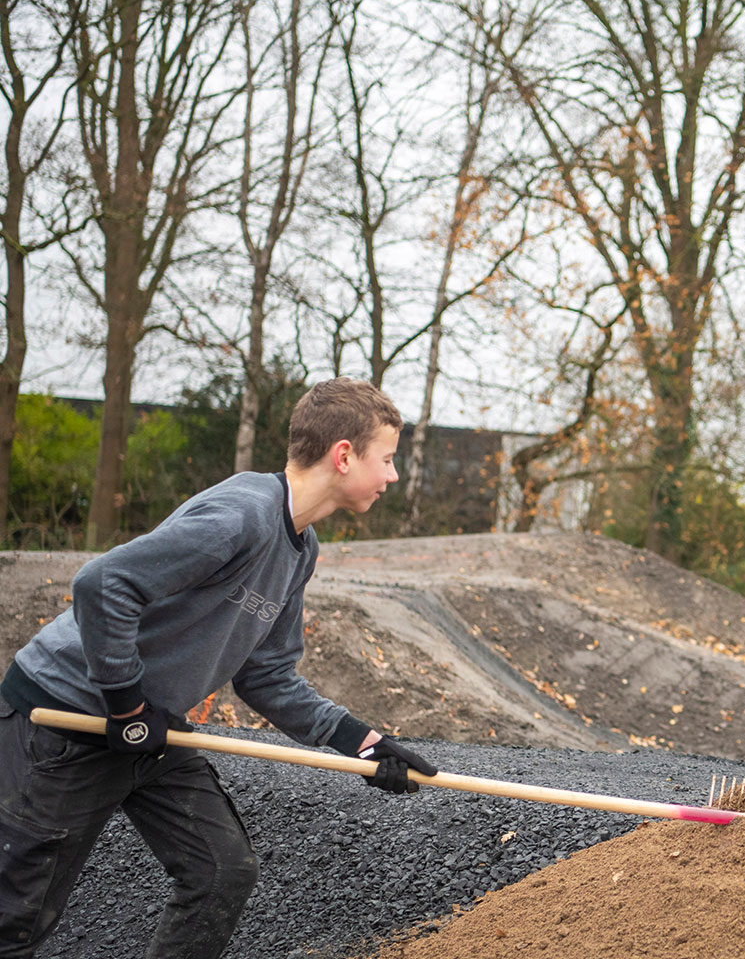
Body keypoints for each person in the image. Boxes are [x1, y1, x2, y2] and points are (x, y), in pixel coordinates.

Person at [0, 378, 438, 957]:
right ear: (343, 456)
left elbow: (267, 675)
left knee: (221, 870)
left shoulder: (299, 551)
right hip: (63, 721)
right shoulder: (242, 514)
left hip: (144, 728)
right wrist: (127, 706)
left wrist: (366, 744)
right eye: (386, 459)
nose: (392, 476)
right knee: (16, 919)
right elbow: (103, 583)